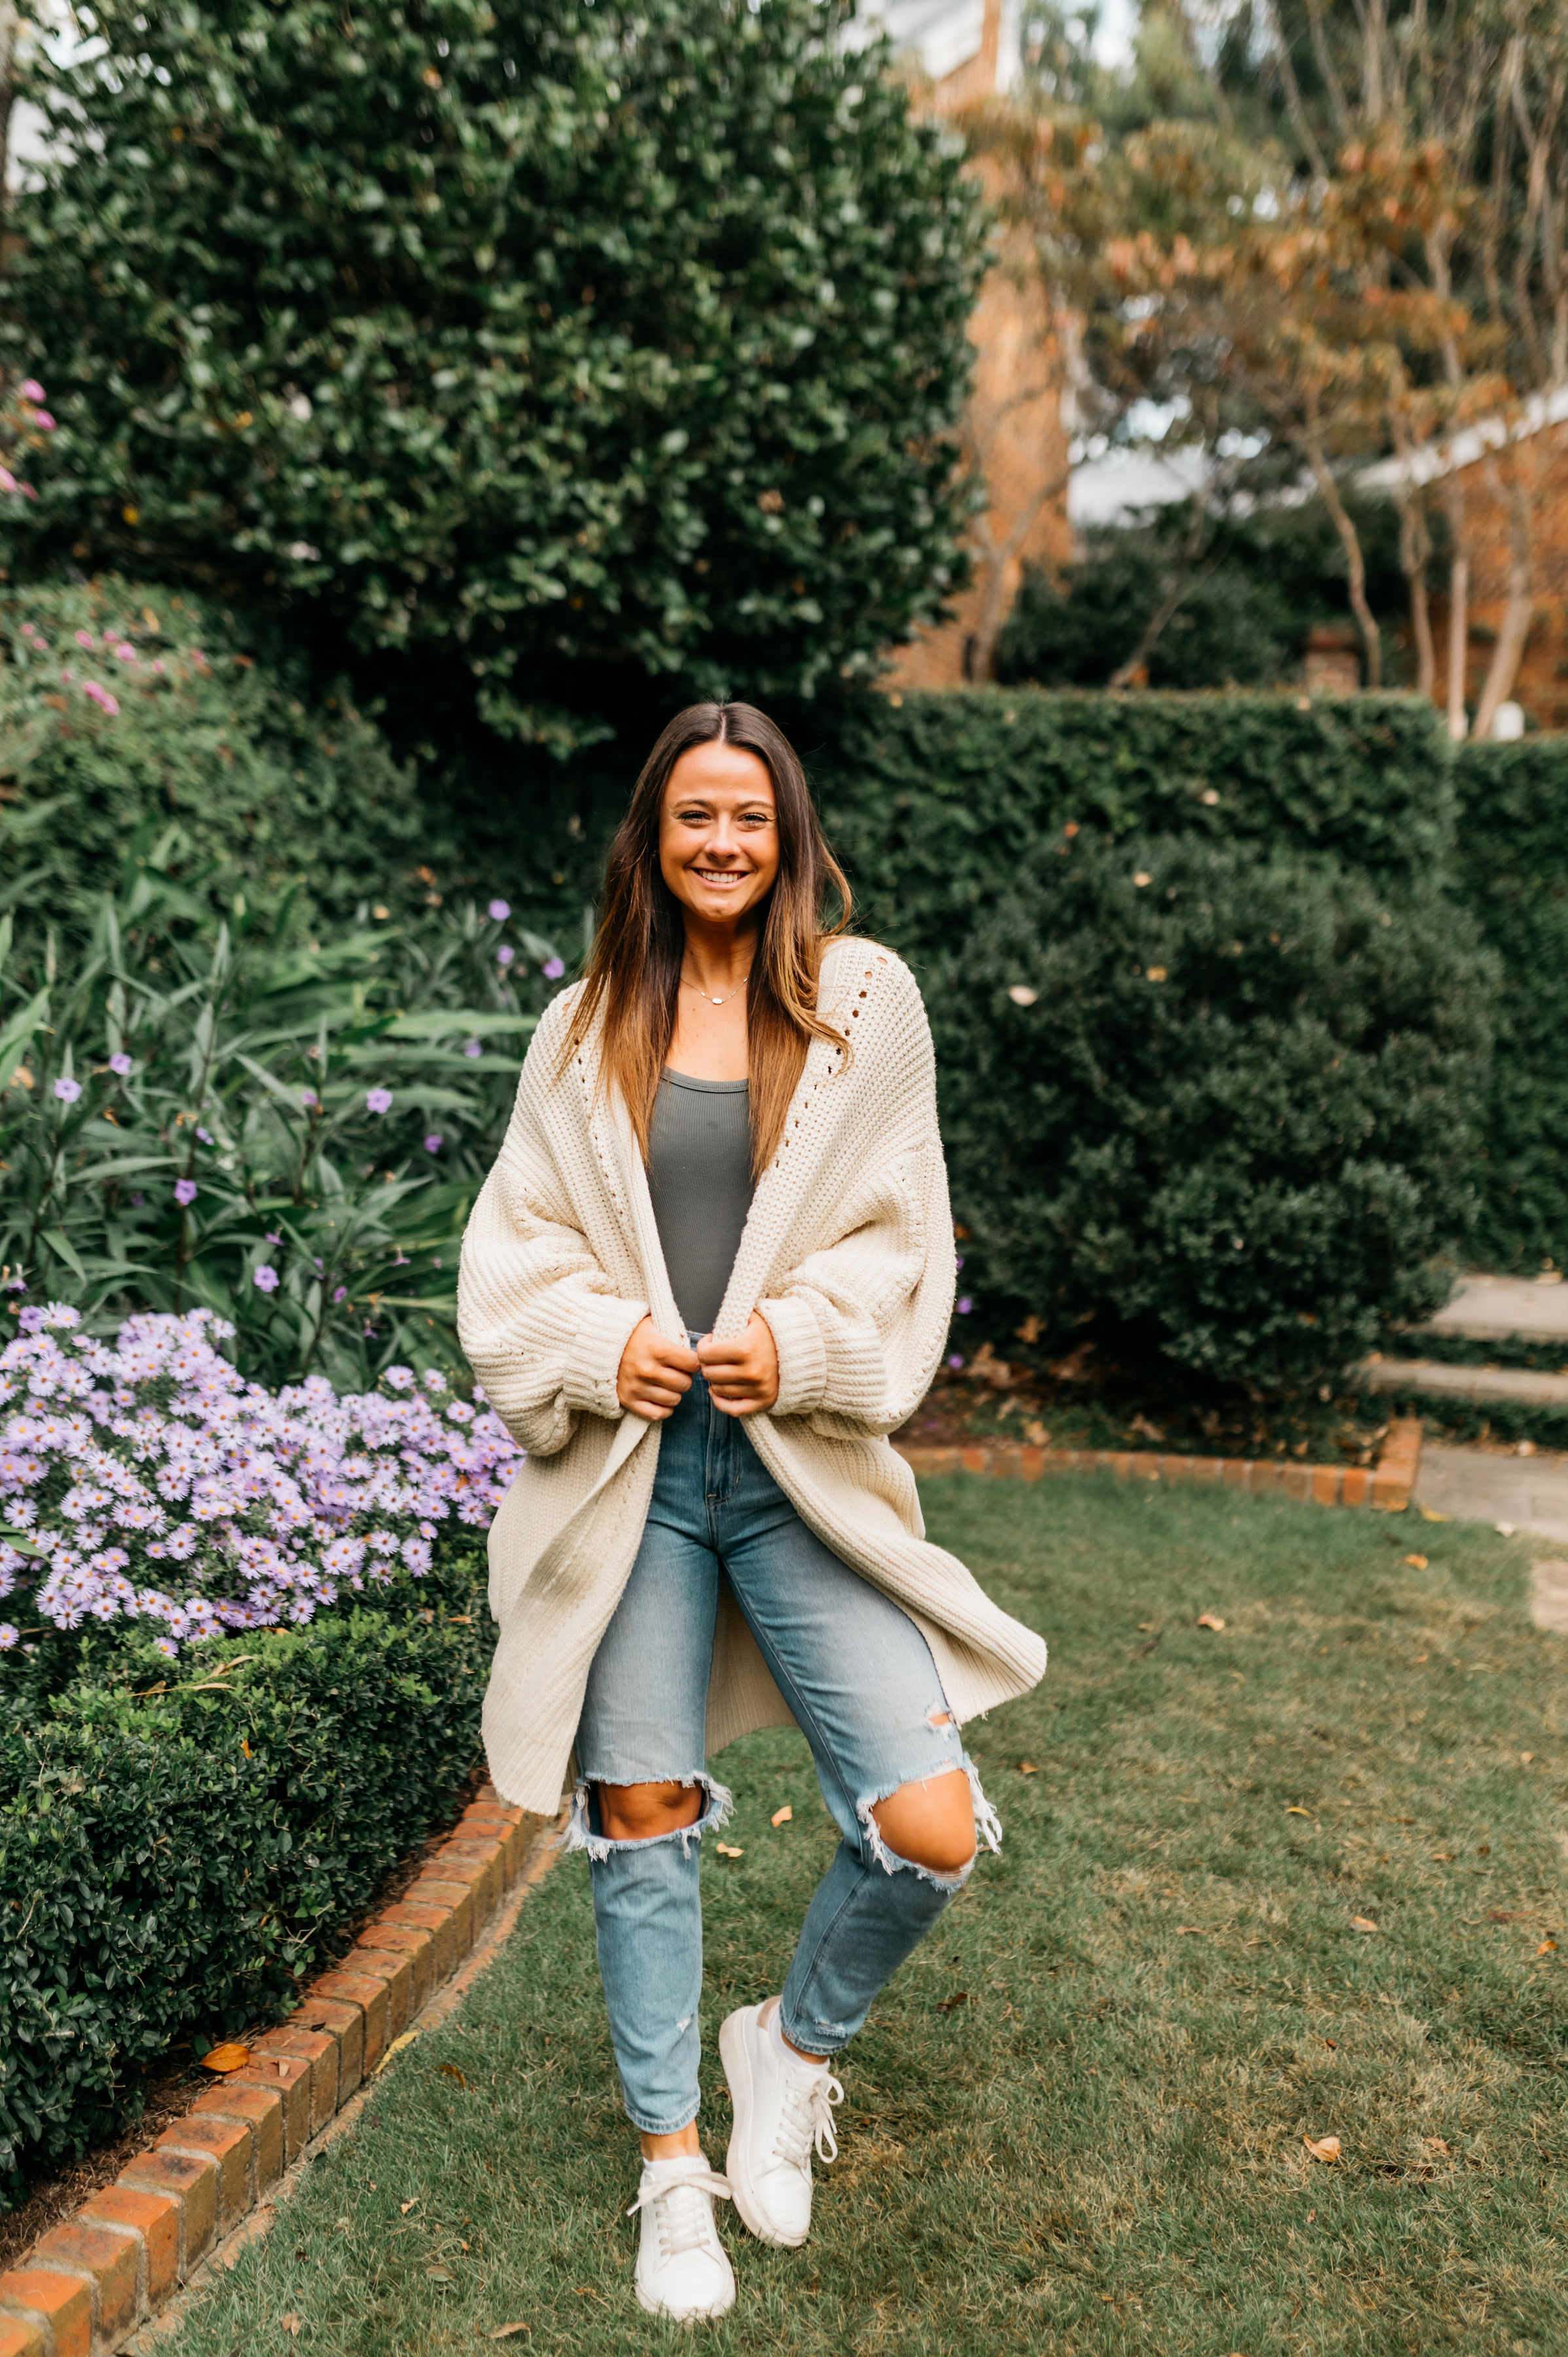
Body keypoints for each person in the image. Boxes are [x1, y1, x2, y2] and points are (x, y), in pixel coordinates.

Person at [458, 702, 1047, 2320]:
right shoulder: (583, 1029)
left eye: (752, 819)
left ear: (788, 835)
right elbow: (514, 1251)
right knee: (640, 1821)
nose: (723, 844)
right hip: (634, 1481)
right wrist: (607, 1341)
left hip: (795, 1473)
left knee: (925, 1828)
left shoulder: (865, 1004)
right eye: (693, 817)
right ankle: (671, 2173)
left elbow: (901, 1235)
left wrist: (796, 1342)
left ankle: (782, 2051)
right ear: (651, 833)